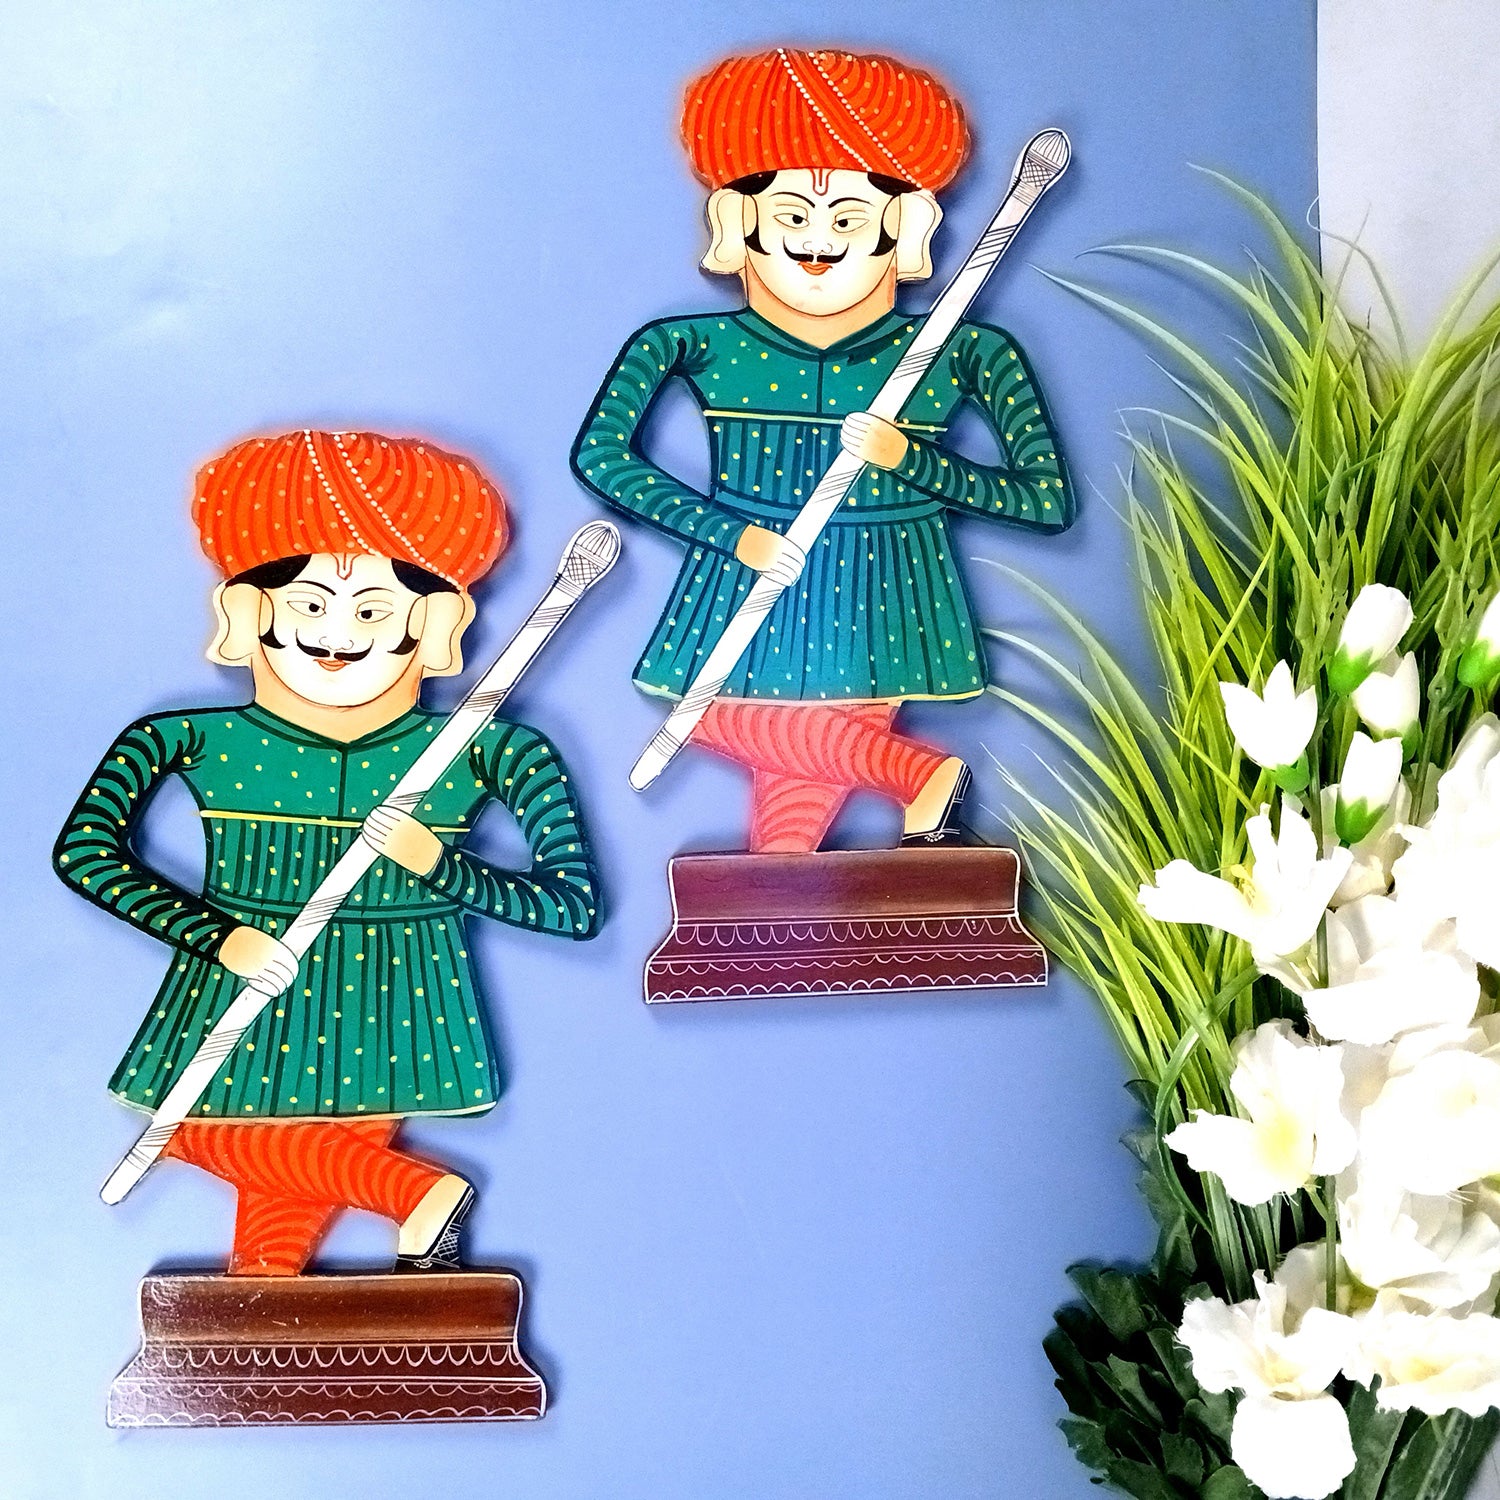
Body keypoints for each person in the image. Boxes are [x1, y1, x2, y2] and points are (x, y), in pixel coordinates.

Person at [55, 429, 599, 1275]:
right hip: (239, 975)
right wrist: (216, 936)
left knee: (244, 1158)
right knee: (214, 1143)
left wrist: (440, 866)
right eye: (309, 604)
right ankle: (382, 1224)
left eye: (373, 610)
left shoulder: (495, 749)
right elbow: (86, 851)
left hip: (393, 999)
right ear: (251, 610)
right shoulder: (182, 736)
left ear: (432, 622)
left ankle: (399, 1211)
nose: (337, 633)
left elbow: (574, 907)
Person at [572, 47, 1075, 854]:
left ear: (900, 228)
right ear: (739, 223)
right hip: (742, 566)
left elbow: (1044, 499)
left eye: (847, 219)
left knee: (790, 782)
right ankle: (912, 781)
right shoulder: (683, 342)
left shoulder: (970, 350)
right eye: (790, 217)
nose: (816, 243)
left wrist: (911, 460)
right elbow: (602, 457)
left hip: (884, 581)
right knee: (718, 723)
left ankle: (810, 877)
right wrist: (728, 533)